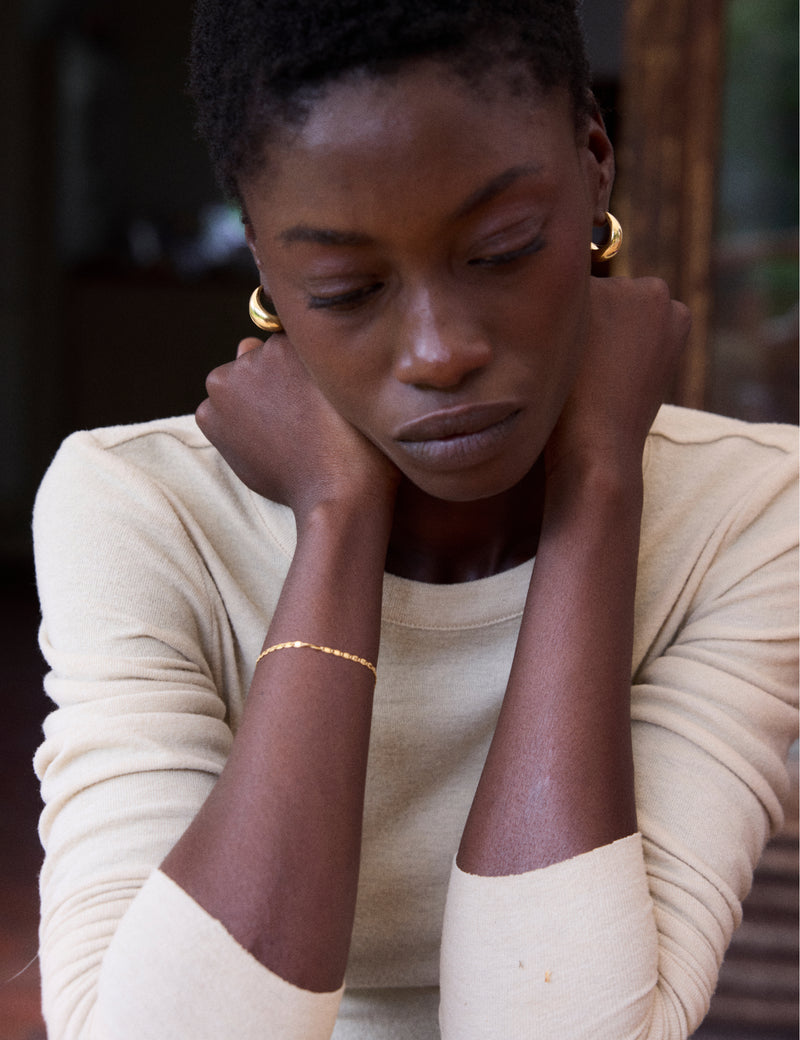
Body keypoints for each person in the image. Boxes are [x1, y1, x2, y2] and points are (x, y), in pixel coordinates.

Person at [32, 1, 798, 1037]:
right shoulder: (137, 506)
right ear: (263, 264)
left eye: (501, 249)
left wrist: (598, 484)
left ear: (593, 165)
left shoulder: (754, 509)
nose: (437, 350)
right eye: (346, 288)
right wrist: (338, 520)